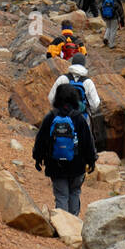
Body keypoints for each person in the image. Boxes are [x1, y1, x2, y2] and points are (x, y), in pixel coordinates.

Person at [33, 83, 96, 215]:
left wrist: (38, 158)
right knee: (74, 193)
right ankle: (74, 224)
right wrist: (91, 160)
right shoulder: (79, 118)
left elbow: (41, 140)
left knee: (61, 195)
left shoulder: (50, 117)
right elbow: (87, 142)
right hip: (77, 164)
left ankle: (63, 226)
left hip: (55, 165)